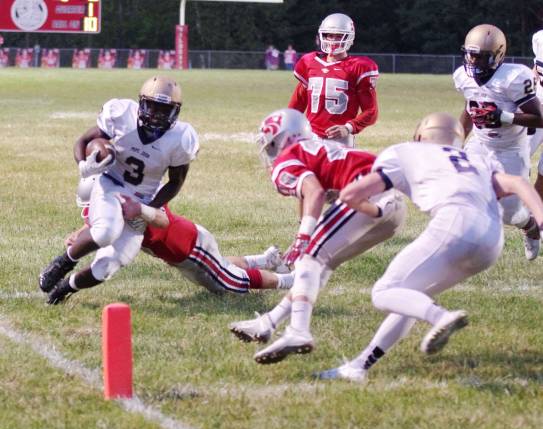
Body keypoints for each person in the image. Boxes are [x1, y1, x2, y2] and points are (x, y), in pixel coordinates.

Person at [314, 112, 543, 383]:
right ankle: (359, 366)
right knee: (410, 297)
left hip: (454, 223)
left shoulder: (406, 152)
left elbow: (352, 194)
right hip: (491, 240)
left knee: (384, 291)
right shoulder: (475, 158)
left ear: (421, 136)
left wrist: (371, 209)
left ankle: (441, 317)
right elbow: (517, 183)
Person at [229, 108, 405, 364]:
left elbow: (314, 192)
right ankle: (268, 322)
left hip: (365, 195)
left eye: (271, 144)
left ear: (282, 138)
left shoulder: (288, 158)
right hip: (392, 205)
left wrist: (303, 238)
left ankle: (298, 331)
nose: (269, 152)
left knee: (309, 260)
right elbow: (323, 187)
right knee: (318, 267)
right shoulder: (318, 148)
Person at [39, 76, 198, 304]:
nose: (155, 114)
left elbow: (175, 183)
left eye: (164, 109)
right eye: (152, 106)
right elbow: (83, 141)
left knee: (107, 267)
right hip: (112, 184)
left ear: (175, 112)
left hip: (142, 198)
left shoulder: (181, 138)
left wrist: (145, 210)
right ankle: (64, 261)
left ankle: (66, 287)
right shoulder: (122, 114)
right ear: (141, 103)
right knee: (106, 232)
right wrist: (84, 166)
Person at [58, 176, 293, 301]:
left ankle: (292, 281)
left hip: (192, 249)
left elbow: (117, 234)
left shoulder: (137, 208)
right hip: (186, 250)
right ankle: (266, 259)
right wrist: (83, 231)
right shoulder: (124, 205)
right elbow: (107, 221)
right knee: (220, 266)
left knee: (233, 283)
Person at [454, 24, 543, 260]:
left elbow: (539, 118)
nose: (473, 61)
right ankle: (467, 240)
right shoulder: (463, 76)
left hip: (510, 149)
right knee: (462, 187)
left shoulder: (513, 78)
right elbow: (469, 108)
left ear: (498, 55)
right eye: (470, 55)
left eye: (480, 57)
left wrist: (502, 117)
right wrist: (457, 140)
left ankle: (531, 227)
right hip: (481, 143)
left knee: (510, 213)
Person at [288, 13, 379, 148]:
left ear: (349, 38)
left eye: (338, 36)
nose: (333, 40)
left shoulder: (358, 67)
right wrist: (289, 122)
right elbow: (299, 101)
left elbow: (371, 111)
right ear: (322, 36)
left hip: (340, 141)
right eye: (330, 35)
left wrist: (348, 127)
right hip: (310, 136)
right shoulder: (309, 62)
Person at [530, 30, 543, 201]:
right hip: (536, 108)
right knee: (517, 159)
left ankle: (535, 216)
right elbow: (536, 67)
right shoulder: (539, 37)